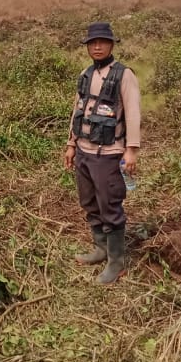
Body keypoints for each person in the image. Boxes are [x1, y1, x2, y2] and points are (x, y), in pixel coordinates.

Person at [63, 22, 142, 284]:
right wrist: (71, 145)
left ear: (111, 45)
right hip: (84, 152)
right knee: (89, 202)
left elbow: (132, 113)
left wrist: (131, 151)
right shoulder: (86, 74)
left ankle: (116, 263)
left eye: (102, 42)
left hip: (108, 153)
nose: (96, 46)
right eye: (92, 43)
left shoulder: (124, 75)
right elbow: (78, 111)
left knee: (110, 206)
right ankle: (101, 249)